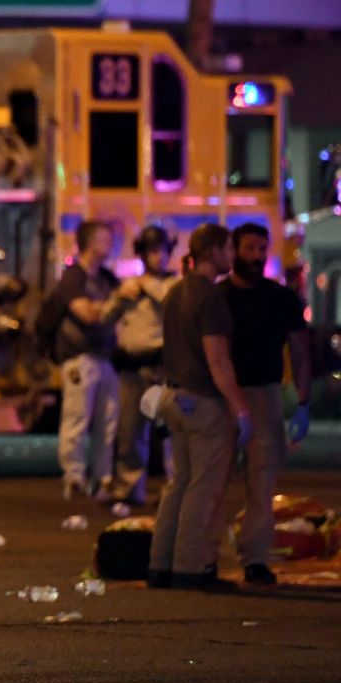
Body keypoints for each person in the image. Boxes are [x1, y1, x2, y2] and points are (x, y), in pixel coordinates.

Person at [148, 223, 252, 591]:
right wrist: (240, 408)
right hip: (204, 401)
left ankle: (160, 564)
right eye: (229, 248)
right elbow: (218, 360)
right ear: (215, 251)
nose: (233, 256)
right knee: (203, 488)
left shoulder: (175, 292)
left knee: (178, 484)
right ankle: (190, 568)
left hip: (174, 398)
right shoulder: (210, 298)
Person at [213, 222, 311, 585]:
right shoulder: (219, 297)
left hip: (266, 395)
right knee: (214, 479)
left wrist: (302, 402)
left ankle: (254, 557)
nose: (256, 256)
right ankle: (207, 557)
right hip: (224, 395)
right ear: (233, 251)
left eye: (261, 248)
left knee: (262, 481)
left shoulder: (281, 298)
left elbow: (300, 354)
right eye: (249, 248)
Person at [105, 225, 179, 506]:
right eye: (152, 251)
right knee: (129, 431)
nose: (158, 257)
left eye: (162, 251)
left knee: (170, 431)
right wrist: (119, 295)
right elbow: (104, 316)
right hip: (131, 367)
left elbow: (169, 304)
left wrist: (144, 286)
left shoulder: (173, 284)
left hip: (161, 366)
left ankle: (176, 487)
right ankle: (128, 488)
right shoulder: (130, 286)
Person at [54, 220, 120, 501]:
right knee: (77, 419)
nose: (111, 243)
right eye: (105, 238)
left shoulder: (107, 278)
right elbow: (87, 314)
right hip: (79, 358)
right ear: (90, 242)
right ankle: (74, 478)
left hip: (105, 357)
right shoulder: (74, 278)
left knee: (108, 421)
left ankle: (103, 479)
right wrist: (110, 307)